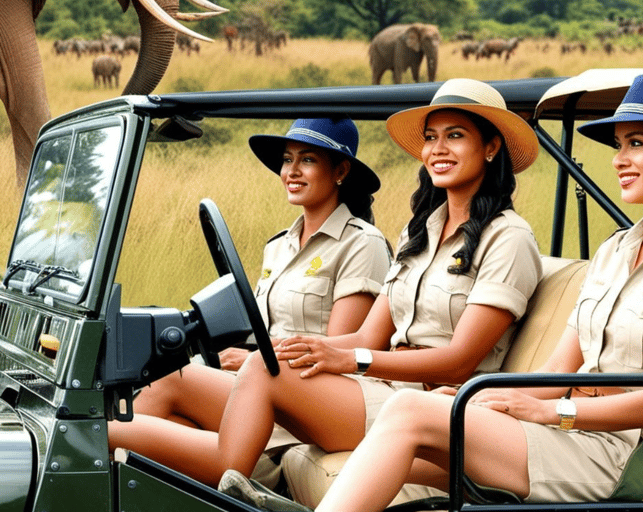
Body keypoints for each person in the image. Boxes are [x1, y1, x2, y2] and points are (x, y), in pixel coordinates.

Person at [315, 71, 643, 511]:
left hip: (622, 455)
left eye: (635, 143)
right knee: (402, 439)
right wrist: (480, 396)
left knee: (409, 412)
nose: (618, 159)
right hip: (567, 431)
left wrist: (550, 412)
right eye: (618, 145)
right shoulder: (616, 250)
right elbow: (560, 368)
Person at [109, 78, 543, 491]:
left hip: (430, 404)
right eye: (430, 138)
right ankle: (114, 469)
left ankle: (123, 442)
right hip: (380, 387)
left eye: (455, 136)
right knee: (173, 378)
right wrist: (304, 349)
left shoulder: (509, 237)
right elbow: (368, 337)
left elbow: (458, 362)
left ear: (490, 147)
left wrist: (345, 357)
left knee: (261, 371)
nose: (437, 149)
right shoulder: (419, 235)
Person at [108, 117, 391, 472]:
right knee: (169, 407)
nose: (292, 171)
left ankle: (92, 445)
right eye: (287, 160)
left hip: (310, 403)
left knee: (161, 390)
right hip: (261, 384)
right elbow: (260, 330)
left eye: (307, 160)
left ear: (341, 170)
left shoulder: (362, 243)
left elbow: (335, 352)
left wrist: (251, 362)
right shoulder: (279, 246)